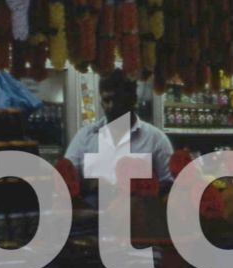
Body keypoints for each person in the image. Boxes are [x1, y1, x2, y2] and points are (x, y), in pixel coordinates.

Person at [63, 70, 174, 202]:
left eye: (118, 99)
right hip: (93, 220)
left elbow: (171, 188)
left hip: (138, 218)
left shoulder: (155, 140)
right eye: (106, 100)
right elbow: (65, 183)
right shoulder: (85, 138)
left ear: (133, 99)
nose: (111, 106)